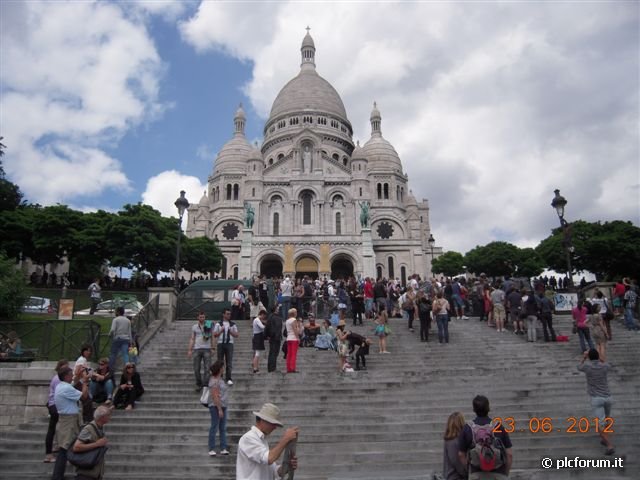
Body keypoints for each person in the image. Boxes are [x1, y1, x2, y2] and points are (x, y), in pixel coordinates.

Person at [236, 403, 299, 480]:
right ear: (262, 420)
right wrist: (285, 439)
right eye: (272, 423)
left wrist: (287, 466)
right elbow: (269, 458)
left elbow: (274, 472)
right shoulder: (248, 438)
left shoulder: (261, 440)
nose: (275, 427)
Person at [458, 395, 513, 480]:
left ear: (474, 409)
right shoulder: (498, 427)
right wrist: (505, 473)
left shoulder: (467, 428)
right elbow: (509, 454)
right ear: (488, 408)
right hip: (498, 473)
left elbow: (461, 454)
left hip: (476, 474)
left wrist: (469, 468)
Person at [51, 366, 89, 480]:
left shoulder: (60, 386)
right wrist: (85, 382)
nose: (72, 375)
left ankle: (61, 475)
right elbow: (84, 396)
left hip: (66, 420)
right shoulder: (66, 389)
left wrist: (77, 378)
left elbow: (71, 385)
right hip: (69, 421)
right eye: (71, 374)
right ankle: (57, 476)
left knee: (69, 447)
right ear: (66, 376)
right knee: (65, 449)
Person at [577, 349, 615, 455]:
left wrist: (584, 357)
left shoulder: (587, 367)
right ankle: (604, 438)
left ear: (589, 357)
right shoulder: (604, 366)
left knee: (599, 424)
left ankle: (609, 445)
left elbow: (579, 367)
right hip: (608, 397)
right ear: (598, 356)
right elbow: (608, 364)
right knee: (607, 420)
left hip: (596, 398)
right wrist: (600, 358)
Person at [71, 405, 112, 480]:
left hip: (95, 474)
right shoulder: (88, 429)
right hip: (85, 475)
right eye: (108, 415)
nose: (110, 417)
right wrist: (97, 444)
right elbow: (76, 447)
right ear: (102, 417)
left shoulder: (99, 428)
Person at [44, 359, 68, 463]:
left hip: (53, 405)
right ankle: (49, 454)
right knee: (53, 428)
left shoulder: (57, 378)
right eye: (65, 368)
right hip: (56, 406)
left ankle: (54, 448)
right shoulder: (58, 379)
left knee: (55, 428)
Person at [188, 311, 215, 391]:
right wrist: (190, 349)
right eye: (200, 317)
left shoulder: (209, 325)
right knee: (196, 368)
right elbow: (192, 338)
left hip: (207, 348)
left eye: (203, 317)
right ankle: (199, 383)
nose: (202, 318)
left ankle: (205, 384)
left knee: (207, 368)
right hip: (197, 349)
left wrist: (213, 348)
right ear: (198, 317)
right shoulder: (194, 327)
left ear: (205, 317)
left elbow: (213, 337)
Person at [207, 360, 229, 456]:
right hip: (216, 407)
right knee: (214, 426)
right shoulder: (214, 381)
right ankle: (211, 448)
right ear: (220, 369)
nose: (223, 369)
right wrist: (219, 409)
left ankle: (223, 447)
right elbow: (215, 396)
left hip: (223, 405)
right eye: (222, 367)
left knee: (222, 428)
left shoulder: (220, 380)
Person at [213, 308, 239, 385]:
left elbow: (237, 335)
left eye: (230, 314)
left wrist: (231, 331)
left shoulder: (233, 324)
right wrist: (221, 330)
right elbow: (215, 335)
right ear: (223, 314)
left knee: (229, 362)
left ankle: (228, 378)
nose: (229, 315)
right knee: (220, 361)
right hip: (220, 343)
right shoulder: (218, 324)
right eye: (227, 314)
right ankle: (220, 377)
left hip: (229, 344)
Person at [443, 412, 467, 480]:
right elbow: (456, 461)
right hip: (455, 477)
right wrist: (466, 472)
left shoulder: (450, 440)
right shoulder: (453, 442)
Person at [108, 306, 132, 372]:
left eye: (116, 311)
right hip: (126, 338)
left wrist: (109, 334)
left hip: (117, 338)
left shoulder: (115, 319)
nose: (115, 312)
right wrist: (131, 341)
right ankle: (127, 365)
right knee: (125, 353)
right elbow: (129, 332)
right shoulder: (128, 320)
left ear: (118, 312)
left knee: (113, 353)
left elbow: (112, 329)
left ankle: (111, 368)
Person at [265, 305, 283, 373]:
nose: (278, 309)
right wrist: (277, 336)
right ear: (275, 309)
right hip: (276, 337)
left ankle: (270, 368)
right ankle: (273, 368)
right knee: (274, 353)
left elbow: (267, 327)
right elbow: (278, 328)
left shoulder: (270, 317)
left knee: (272, 353)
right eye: (277, 308)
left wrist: (267, 335)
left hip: (272, 337)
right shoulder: (277, 318)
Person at [285, 308, 302, 373]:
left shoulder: (287, 320)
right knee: (293, 354)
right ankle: (292, 368)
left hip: (288, 338)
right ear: (294, 313)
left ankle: (289, 368)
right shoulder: (294, 320)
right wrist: (298, 338)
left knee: (289, 354)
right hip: (294, 339)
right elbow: (296, 331)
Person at [252, 309, 267, 374]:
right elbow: (262, 327)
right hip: (258, 336)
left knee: (257, 353)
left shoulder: (257, 320)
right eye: (264, 316)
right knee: (257, 353)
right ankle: (255, 368)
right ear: (262, 314)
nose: (264, 318)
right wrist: (266, 325)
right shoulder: (257, 320)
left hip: (258, 336)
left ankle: (256, 367)